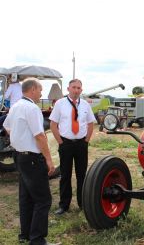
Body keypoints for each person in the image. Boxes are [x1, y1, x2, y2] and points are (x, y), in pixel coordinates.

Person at [3, 78, 57, 245]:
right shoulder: (32, 108)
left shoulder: (15, 106)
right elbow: (40, 136)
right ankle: (37, 239)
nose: (41, 94)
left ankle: (25, 235)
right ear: (32, 89)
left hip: (19, 156)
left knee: (26, 197)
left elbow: (6, 126)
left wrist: (18, 137)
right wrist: (49, 159)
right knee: (43, 200)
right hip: (32, 159)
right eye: (40, 90)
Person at [49, 79, 96, 215]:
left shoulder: (85, 105)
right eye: (74, 87)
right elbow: (53, 124)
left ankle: (83, 203)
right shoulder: (60, 104)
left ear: (81, 90)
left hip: (81, 144)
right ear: (68, 89)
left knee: (82, 175)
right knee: (65, 175)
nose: (76, 90)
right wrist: (60, 142)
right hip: (66, 144)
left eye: (79, 88)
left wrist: (86, 141)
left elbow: (90, 124)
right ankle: (64, 205)